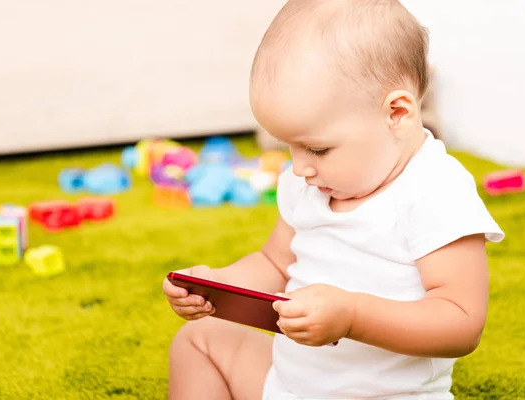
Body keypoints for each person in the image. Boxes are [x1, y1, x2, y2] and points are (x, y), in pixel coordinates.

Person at [163, 0, 504, 398]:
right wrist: (219, 285)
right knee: (198, 340)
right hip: (291, 386)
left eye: (318, 149)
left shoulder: (435, 190)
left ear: (396, 114)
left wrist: (353, 317)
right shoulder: (308, 182)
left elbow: (461, 323)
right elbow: (275, 262)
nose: (300, 168)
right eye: (288, 146)